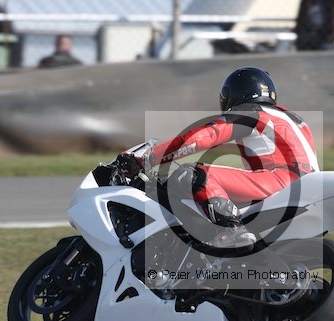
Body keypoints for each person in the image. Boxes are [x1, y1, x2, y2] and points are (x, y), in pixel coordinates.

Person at [116, 67, 319, 251]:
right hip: (309, 184)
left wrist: (147, 158)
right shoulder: (294, 119)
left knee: (192, 174)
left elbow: (203, 137)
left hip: (282, 180)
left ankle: (232, 230)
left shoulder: (250, 113)